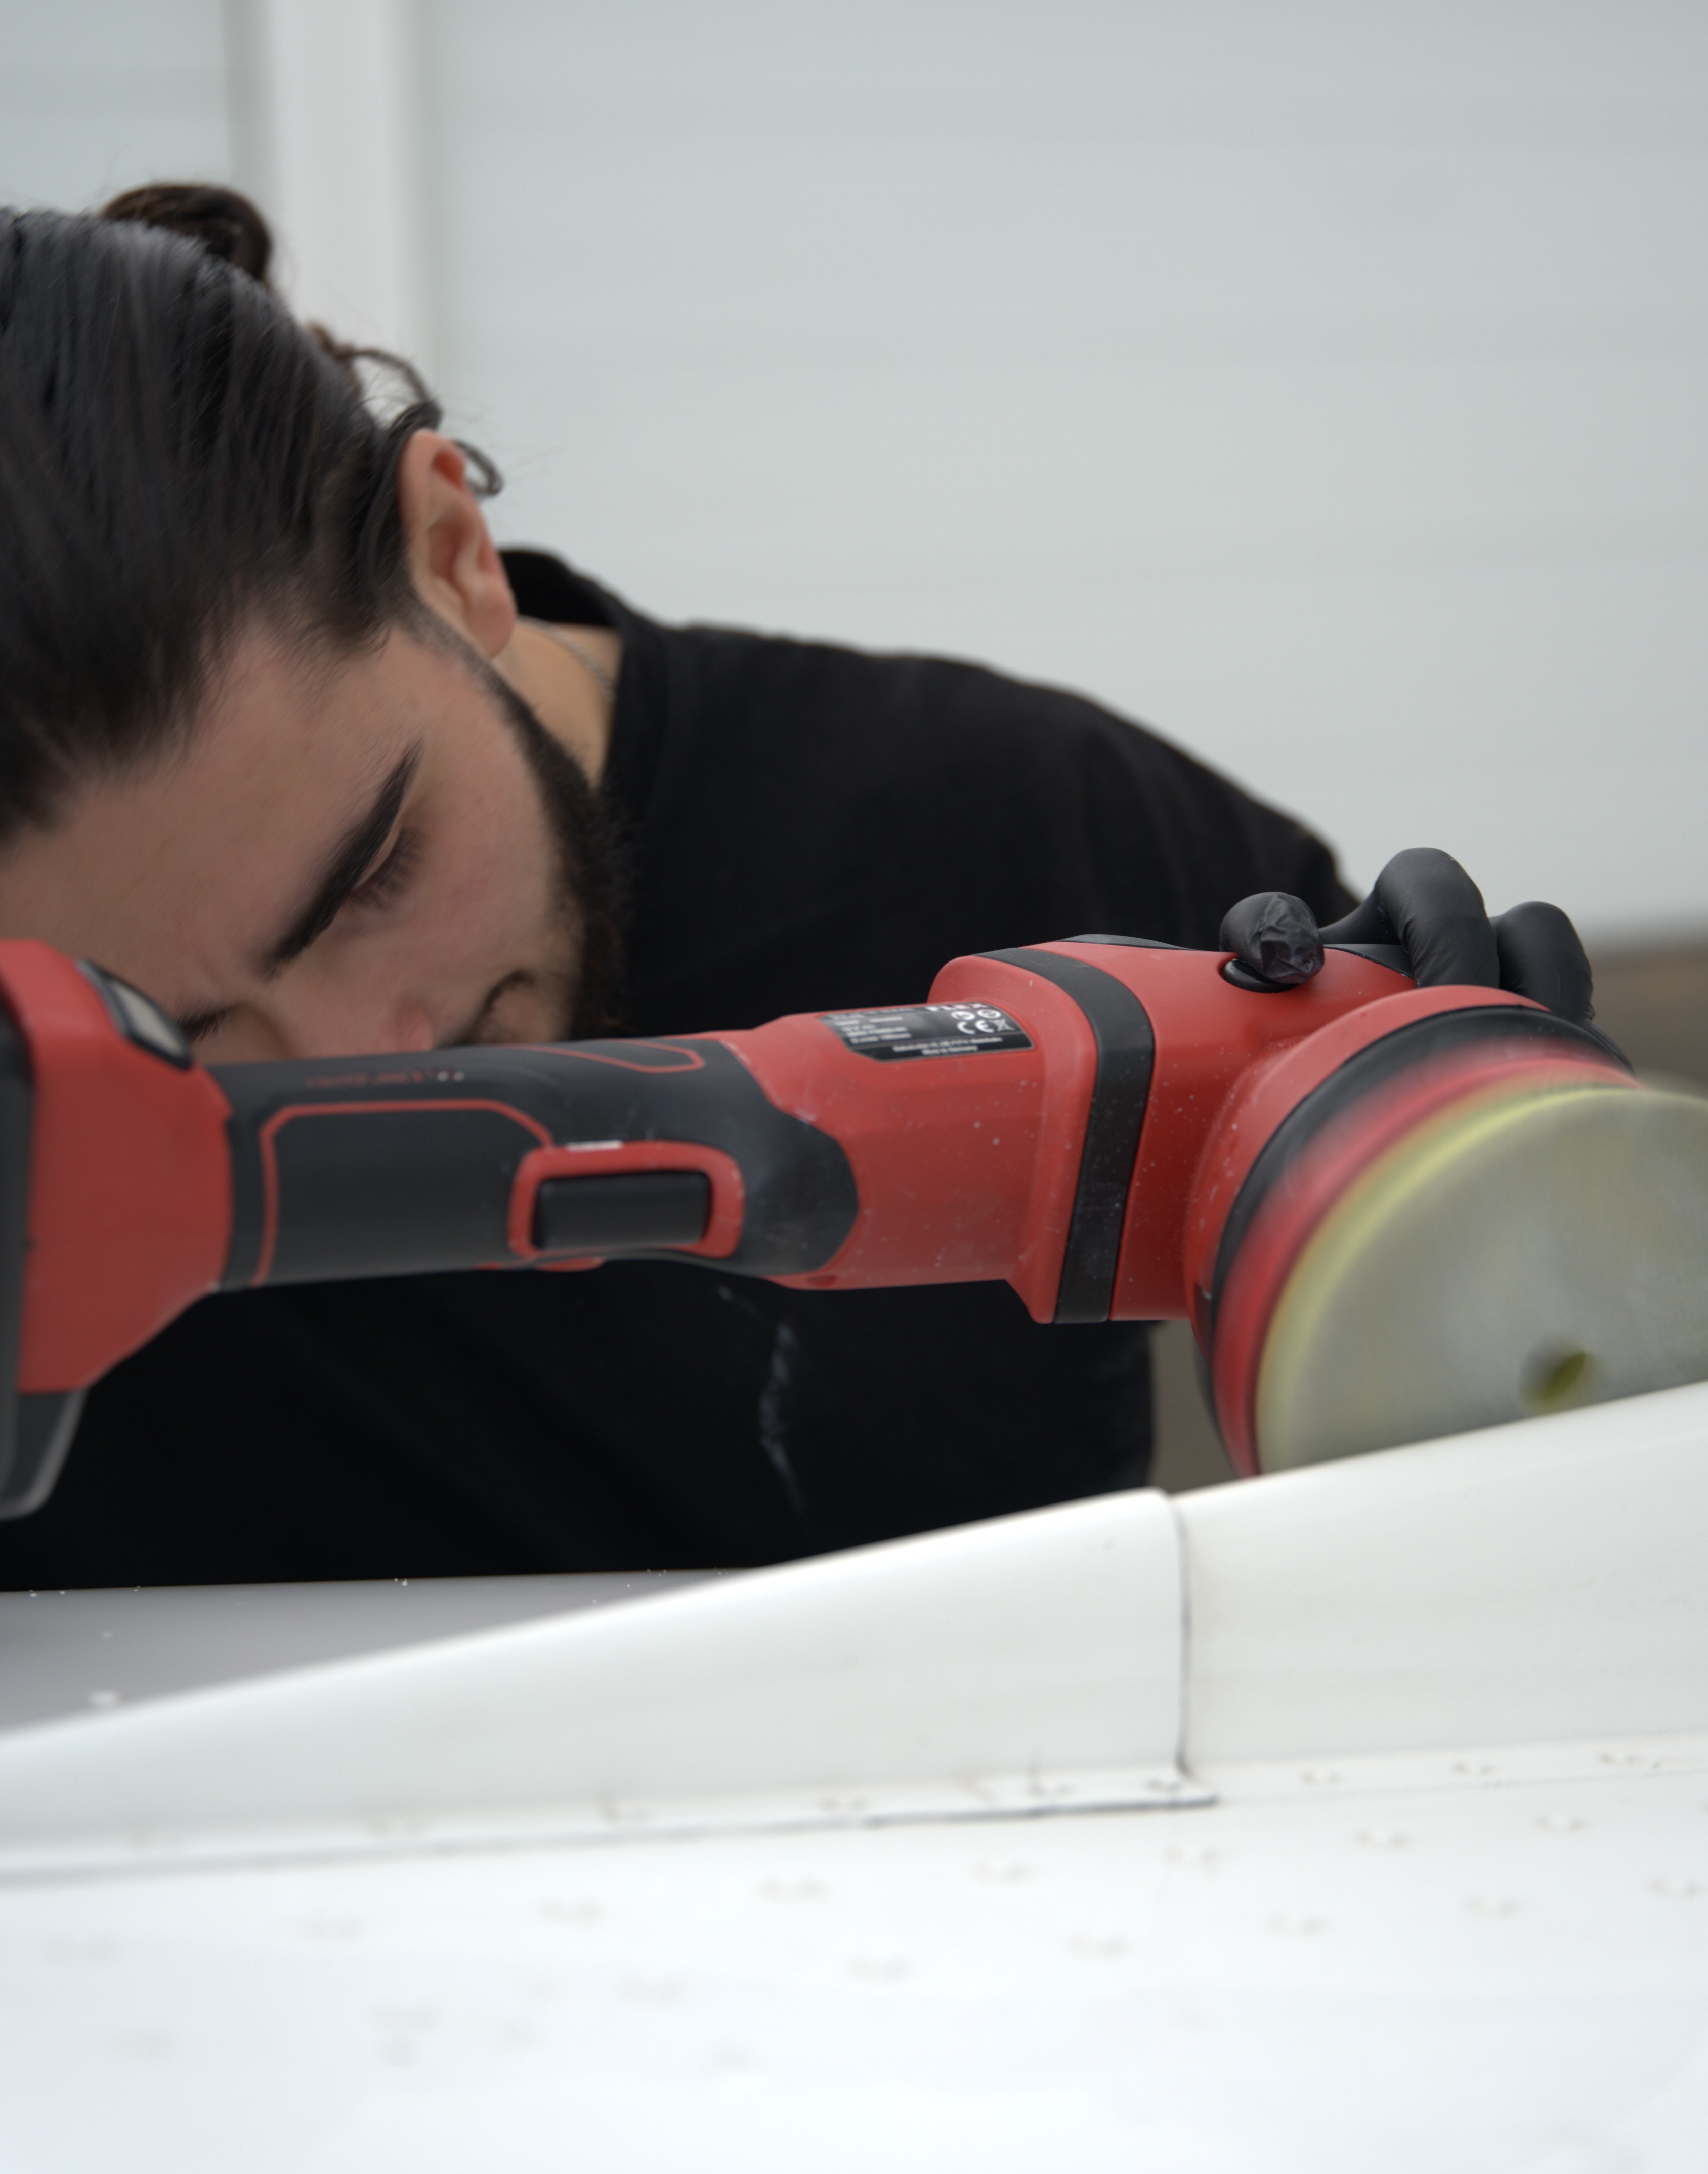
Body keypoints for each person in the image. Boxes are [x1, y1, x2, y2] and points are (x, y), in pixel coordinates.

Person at [0, 190, 1582, 1586]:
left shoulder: (1027, 817)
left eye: (374, 870)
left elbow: (1518, 1432)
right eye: (159, 1022)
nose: (366, 1046)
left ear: (453, 552)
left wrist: (1504, 1206)